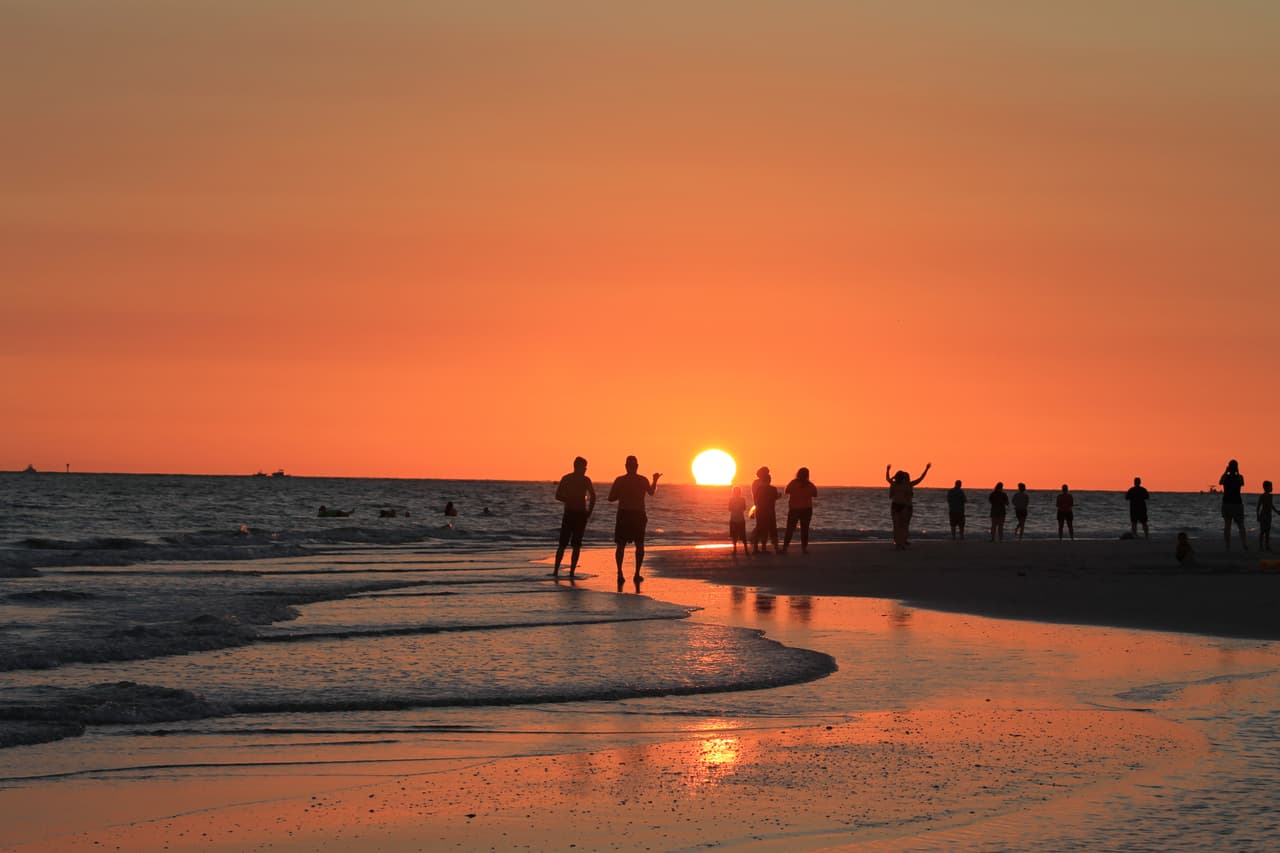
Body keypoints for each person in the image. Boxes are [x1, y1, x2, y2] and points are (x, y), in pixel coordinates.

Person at [607, 456, 661, 583]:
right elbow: (651, 492)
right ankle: (636, 573)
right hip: (636, 515)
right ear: (636, 466)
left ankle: (620, 573)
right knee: (638, 545)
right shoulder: (642, 480)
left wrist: (622, 494)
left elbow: (611, 498)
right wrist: (654, 480)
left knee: (621, 545)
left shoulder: (620, 480)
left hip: (626, 515)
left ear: (626, 466)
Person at [554, 456, 597, 579]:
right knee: (565, 544)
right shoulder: (571, 478)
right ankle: (558, 570)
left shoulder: (579, 479)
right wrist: (570, 499)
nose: (585, 469)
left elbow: (593, 496)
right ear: (578, 467)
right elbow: (558, 495)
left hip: (578, 514)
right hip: (572, 514)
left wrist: (589, 511)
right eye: (584, 467)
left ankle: (568, 571)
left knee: (574, 544)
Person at [885, 463, 931, 549]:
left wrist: (926, 469)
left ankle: (900, 543)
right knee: (900, 526)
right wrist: (887, 470)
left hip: (902, 506)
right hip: (898, 506)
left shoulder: (903, 484)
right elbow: (920, 479)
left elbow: (920, 479)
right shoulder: (899, 484)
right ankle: (899, 543)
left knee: (900, 526)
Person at [782, 467, 818, 554]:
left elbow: (786, 491)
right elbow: (815, 494)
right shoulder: (810, 485)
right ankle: (804, 548)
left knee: (790, 528)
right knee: (804, 529)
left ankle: (785, 547)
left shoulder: (793, 483)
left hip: (794, 508)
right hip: (806, 509)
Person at [751, 467, 780, 554]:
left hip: (760, 510)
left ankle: (757, 548)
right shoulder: (772, 488)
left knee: (760, 528)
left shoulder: (758, 487)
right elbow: (774, 497)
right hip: (769, 511)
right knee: (771, 529)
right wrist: (778, 496)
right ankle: (773, 548)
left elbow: (756, 498)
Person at [1219, 459, 1246, 551]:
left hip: (1228, 503)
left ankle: (1228, 545)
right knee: (1240, 525)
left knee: (1228, 525)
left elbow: (1220, 482)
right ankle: (1244, 544)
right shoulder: (1239, 477)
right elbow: (1242, 483)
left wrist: (1226, 472)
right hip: (1236, 503)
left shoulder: (1226, 477)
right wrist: (1237, 473)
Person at [728, 486, 750, 555]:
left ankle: (736, 550)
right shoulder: (741, 499)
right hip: (739, 519)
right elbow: (744, 508)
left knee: (736, 535)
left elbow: (730, 509)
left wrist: (736, 508)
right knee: (741, 535)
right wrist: (737, 508)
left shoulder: (734, 499)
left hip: (736, 519)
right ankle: (745, 550)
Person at [1257, 481, 1275, 552]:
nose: (1272, 488)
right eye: (1270, 486)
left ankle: (1267, 545)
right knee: (1262, 531)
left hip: (1268, 515)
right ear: (1266, 488)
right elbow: (1258, 506)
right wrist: (1258, 516)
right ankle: (1261, 546)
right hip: (1263, 515)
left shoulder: (1271, 496)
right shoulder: (1262, 496)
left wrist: (1277, 511)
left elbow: (1271, 505)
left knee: (1268, 531)